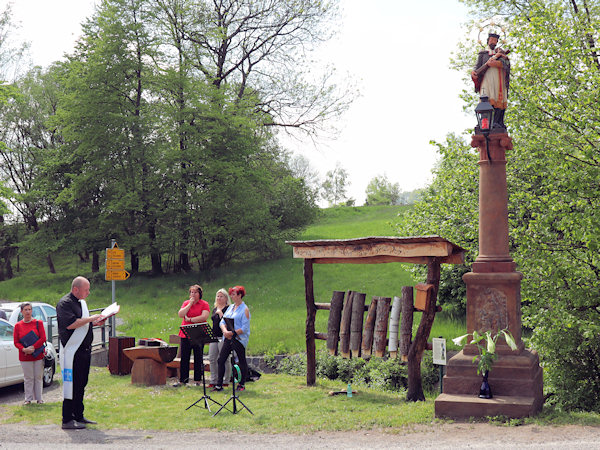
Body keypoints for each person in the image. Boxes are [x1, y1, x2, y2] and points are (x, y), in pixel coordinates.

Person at [57, 276, 105, 430]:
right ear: (76, 289)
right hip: (72, 352)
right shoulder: (64, 303)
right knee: (72, 384)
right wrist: (91, 318)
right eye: (86, 290)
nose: (88, 293)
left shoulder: (81, 303)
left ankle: (78, 415)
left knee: (81, 384)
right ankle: (67, 419)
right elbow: (71, 324)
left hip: (84, 351)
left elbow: (83, 324)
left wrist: (95, 322)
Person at [213, 285, 251, 392]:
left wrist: (233, 333)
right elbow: (222, 321)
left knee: (241, 359)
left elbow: (245, 327)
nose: (232, 296)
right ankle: (219, 385)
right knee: (221, 360)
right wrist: (225, 331)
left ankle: (242, 383)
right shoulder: (230, 308)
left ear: (240, 295)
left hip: (239, 339)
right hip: (228, 338)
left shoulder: (245, 309)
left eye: (234, 294)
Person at [472, 32, 511, 129]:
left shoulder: (501, 54)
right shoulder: (483, 53)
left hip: (499, 79)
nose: (493, 42)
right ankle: (485, 121)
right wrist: (474, 72)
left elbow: (507, 65)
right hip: (487, 79)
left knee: (499, 98)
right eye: (491, 40)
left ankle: (497, 122)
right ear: (488, 41)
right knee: (487, 97)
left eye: (495, 40)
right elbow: (477, 66)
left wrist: (499, 64)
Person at [174, 284, 210, 386]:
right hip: (185, 333)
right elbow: (181, 314)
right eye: (191, 292)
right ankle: (183, 380)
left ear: (200, 294)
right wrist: (189, 304)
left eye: (195, 292)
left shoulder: (204, 304)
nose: (193, 294)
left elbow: (204, 316)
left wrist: (190, 319)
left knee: (198, 357)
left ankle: (197, 380)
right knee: (184, 357)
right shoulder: (186, 303)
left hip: (198, 333)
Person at [13, 302, 47, 404]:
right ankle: (28, 399)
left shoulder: (38, 323)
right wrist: (24, 349)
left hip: (37, 355)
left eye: (29, 309)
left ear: (32, 311)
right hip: (25, 356)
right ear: (21, 312)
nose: (28, 312)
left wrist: (33, 347)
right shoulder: (18, 326)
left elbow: (43, 338)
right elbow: (16, 342)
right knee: (28, 378)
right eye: (25, 310)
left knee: (38, 377)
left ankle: (39, 399)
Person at [208, 289, 232, 387]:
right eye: (218, 296)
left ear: (226, 298)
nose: (219, 298)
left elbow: (228, 322)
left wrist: (221, 313)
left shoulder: (229, 309)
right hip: (214, 336)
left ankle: (226, 380)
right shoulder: (215, 309)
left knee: (224, 359)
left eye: (221, 296)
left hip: (224, 336)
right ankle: (213, 380)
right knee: (212, 358)